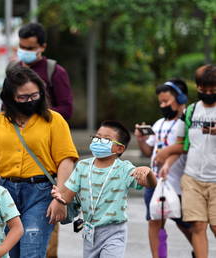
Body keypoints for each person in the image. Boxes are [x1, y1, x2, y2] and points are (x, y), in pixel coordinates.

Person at [0, 66, 79, 257]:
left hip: (41, 192)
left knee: (31, 252)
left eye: (35, 95)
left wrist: (61, 197)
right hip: (5, 193)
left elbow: (66, 160)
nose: (30, 101)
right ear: (10, 98)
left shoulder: (54, 120)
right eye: (23, 97)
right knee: (10, 253)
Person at [51, 120, 157, 258]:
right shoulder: (83, 166)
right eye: (97, 137)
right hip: (89, 230)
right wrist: (58, 196)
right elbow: (67, 195)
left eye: (106, 139)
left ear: (120, 149)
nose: (99, 141)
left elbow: (152, 185)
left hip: (114, 231)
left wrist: (148, 172)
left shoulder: (124, 168)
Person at [158, 64, 216, 258]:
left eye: (212, 90)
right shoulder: (190, 111)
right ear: (197, 87)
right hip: (192, 179)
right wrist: (167, 162)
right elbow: (181, 144)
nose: (207, 93)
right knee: (197, 226)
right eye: (203, 90)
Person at [134, 79, 193, 258]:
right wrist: (141, 140)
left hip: (178, 183)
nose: (163, 105)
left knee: (186, 225)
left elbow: (185, 146)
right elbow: (148, 151)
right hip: (155, 182)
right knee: (154, 222)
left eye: (166, 101)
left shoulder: (186, 123)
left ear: (181, 99)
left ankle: (199, 250)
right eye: (160, 102)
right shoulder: (159, 123)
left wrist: (166, 154)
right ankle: (158, 256)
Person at [9, 22, 73, 120]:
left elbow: (66, 110)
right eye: (22, 47)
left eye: (30, 48)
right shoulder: (13, 69)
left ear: (43, 47)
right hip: (17, 132)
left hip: (45, 131)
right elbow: (5, 104)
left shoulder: (55, 71)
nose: (24, 51)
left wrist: (37, 114)